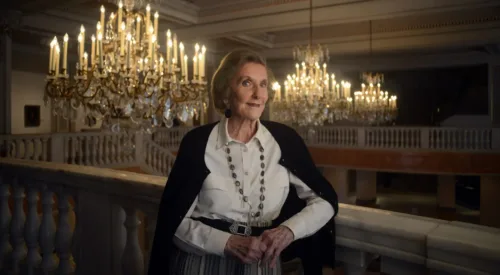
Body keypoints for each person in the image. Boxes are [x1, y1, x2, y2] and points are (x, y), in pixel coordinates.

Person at [148, 49, 339, 275]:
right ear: (226, 91)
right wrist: (225, 242)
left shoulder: (285, 140)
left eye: (264, 84)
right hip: (202, 263)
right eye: (247, 83)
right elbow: (174, 222)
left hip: (263, 264)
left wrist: (289, 230)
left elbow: (325, 201)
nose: (258, 94)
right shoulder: (197, 142)